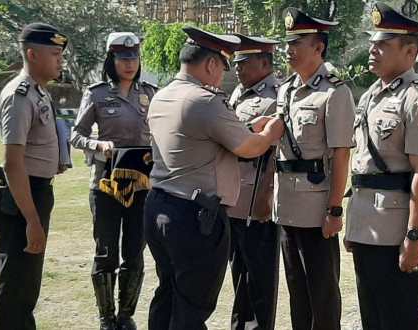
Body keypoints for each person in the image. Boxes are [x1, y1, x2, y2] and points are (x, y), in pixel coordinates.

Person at [143, 27, 284, 330]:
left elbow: (198, 138)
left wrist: (246, 126)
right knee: (193, 305)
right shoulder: (205, 100)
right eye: (222, 66)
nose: (223, 75)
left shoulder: (162, 96)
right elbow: (248, 147)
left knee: (167, 294)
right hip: (194, 217)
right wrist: (270, 133)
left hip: (159, 206)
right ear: (210, 64)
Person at [343, 3, 418, 330]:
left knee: (400, 318)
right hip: (366, 225)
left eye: (383, 44)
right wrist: (352, 224)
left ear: (410, 51)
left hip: (396, 229)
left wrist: (414, 236)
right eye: (373, 43)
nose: (373, 49)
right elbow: (362, 167)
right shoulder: (371, 95)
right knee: (372, 317)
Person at [274, 7, 355, 330]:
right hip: (287, 206)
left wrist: (335, 209)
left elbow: (340, 156)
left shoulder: (335, 92)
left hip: (317, 208)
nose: (289, 50)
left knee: (322, 292)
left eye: (298, 43)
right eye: (288, 43)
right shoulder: (286, 90)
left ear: (318, 47)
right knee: (297, 290)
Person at [71, 32, 156, 330]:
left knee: (134, 251)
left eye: (134, 58)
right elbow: (75, 135)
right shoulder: (96, 94)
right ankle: (106, 316)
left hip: (141, 185)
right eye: (123, 58)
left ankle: (126, 315)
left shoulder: (150, 92)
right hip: (105, 184)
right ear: (112, 60)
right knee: (106, 250)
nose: (130, 64)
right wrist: (97, 144)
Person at [0, 22, 68, 330]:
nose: (60, 60)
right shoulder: (19, 95)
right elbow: (13, 164)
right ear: (32, 55)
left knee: (26, 287)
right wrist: (31, 220)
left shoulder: (38, 92)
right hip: (20, 198)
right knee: (15, 290)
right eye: (55, 54)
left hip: (34, 191)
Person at [227, 34, 281, 330]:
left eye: (245, 62)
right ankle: (240, 324)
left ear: (264, 63)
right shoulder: (238, 93)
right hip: (234, 199)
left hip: (258, 201)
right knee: (239, 274)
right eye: (236, 63)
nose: (238, 69)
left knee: (260, 277)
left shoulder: (276, 96)